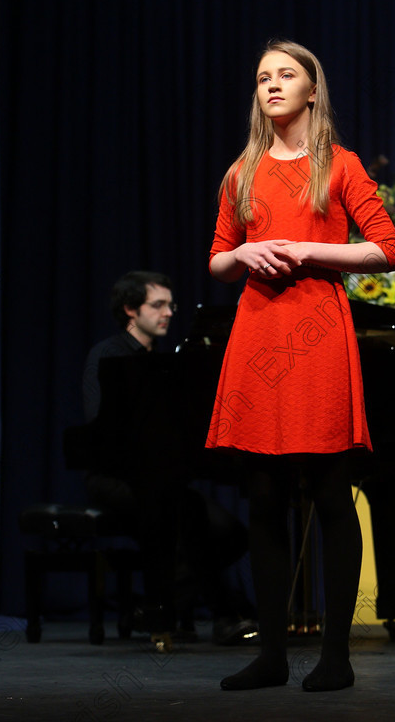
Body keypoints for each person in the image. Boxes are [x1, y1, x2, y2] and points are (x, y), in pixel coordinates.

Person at [206, 40, 395, 691]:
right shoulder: (241, 171)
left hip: (317, 336)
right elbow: (217, 260)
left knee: (328, 491)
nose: (272, 84)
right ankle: (271, 656)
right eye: (263, 76)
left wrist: (306, 250)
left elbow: (386, 250)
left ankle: (337, 656)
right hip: (257, 335)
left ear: (312, 90)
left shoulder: (338, 164)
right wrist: (248, 255)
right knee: (263, 496)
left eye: (286, 74)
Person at [82, 271, 257, 645]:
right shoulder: (108, 355)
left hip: (157, 478)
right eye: (157, 305)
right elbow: (100, 428)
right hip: (114, 479)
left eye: (170, 305)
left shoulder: (160, 362)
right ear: (131, 310)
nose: (168, 313)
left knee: (228, 532)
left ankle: (165, 608)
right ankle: (219, 614)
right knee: (183, 520)